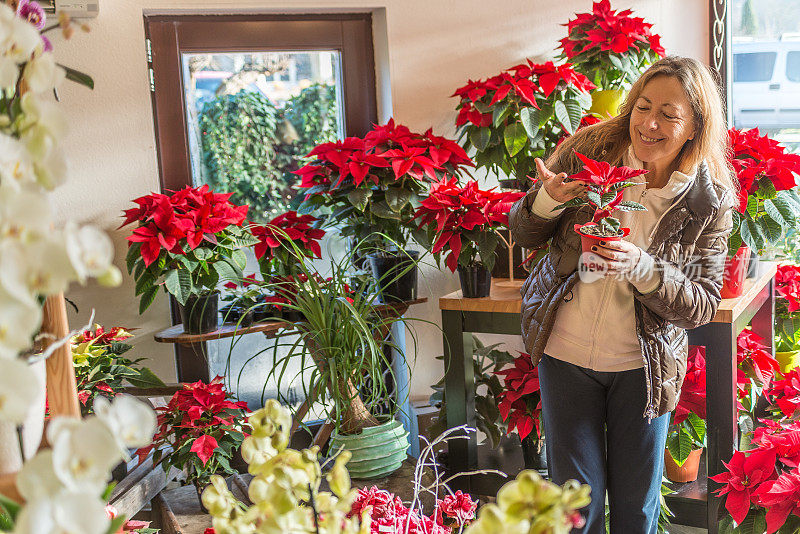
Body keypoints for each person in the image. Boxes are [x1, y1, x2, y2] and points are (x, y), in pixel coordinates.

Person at [508, 56, 735, 533]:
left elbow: (702, 303)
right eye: (642, 106)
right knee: (577, 511)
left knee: (636, 510)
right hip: (565, 355)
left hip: (643, 368)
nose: (648, 123)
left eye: (669, 114)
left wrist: (644, 268)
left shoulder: (707, 202)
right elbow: (524, 232)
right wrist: (549, 199)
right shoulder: (592, 150)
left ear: (695, 127)